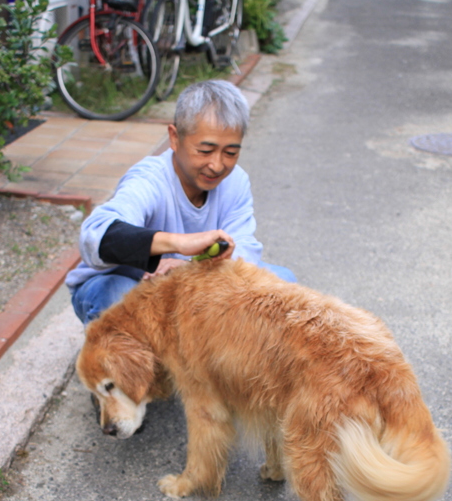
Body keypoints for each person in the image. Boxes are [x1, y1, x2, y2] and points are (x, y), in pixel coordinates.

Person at [65, 80, 295, 325]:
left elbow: (245, 251)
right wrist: (179, 244)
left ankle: (205, 354)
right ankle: (122, 357)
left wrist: (187, 266)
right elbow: (95, 236)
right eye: (205, 151)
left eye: (230, 153)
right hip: (130, 282)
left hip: (197, 286)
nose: (217, 165)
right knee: (115, 295)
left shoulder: (236, 181)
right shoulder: (149, 178)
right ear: (174, 138)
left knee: (283, 283)